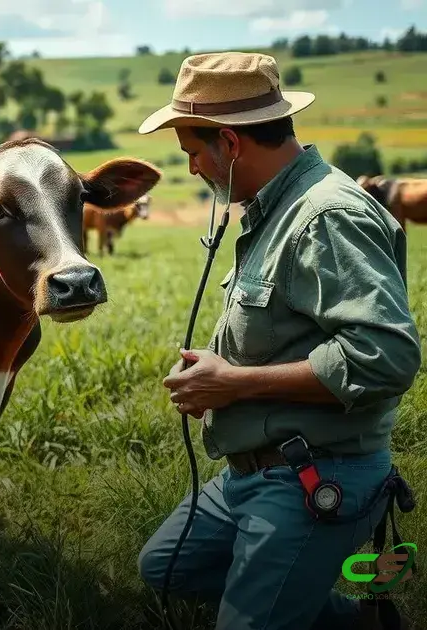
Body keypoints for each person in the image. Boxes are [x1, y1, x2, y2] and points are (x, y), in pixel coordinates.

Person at [136, 51, 421, 630]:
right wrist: (224, 368)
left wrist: (232, 383)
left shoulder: (324, 217)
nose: (192, 169)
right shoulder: (275, 209)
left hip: (317, 473)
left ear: (230, 144)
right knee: (164, 567)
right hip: (251, 473)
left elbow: (386, 358)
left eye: (193, 152)